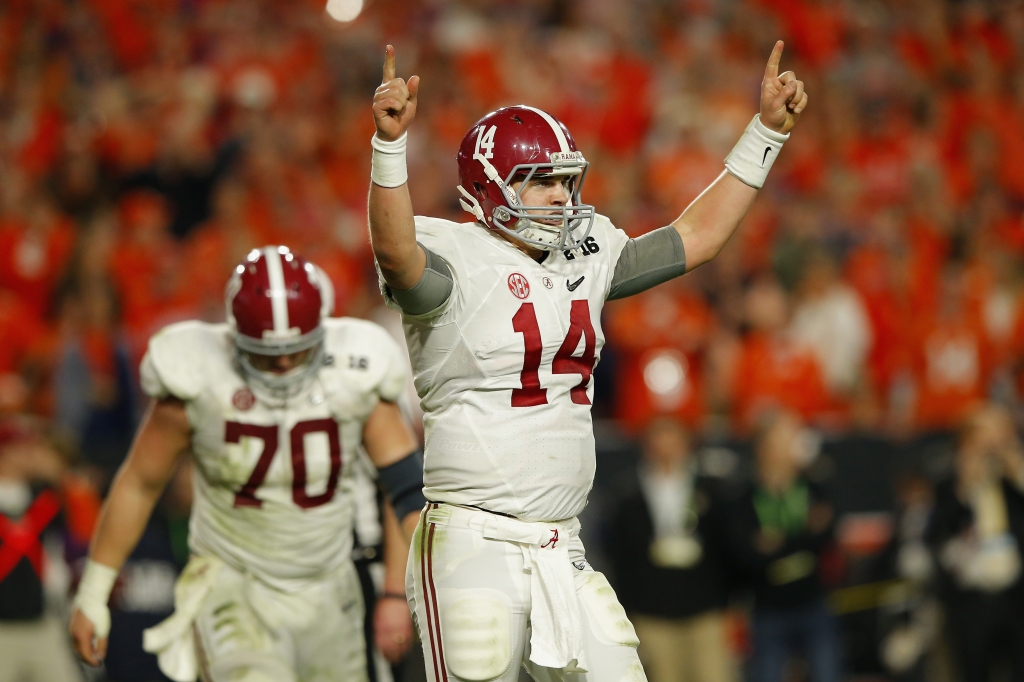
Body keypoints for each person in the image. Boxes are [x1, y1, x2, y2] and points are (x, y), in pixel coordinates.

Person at [368, 37, 807, 682]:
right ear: (489, 188)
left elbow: (696, 237)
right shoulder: (453, 260)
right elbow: (397, 252)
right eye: (539, 180)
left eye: (564, 179)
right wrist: (388, 150)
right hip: (472, 538)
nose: (558, 194)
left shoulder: (587, 252)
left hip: (560, 542)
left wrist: (764, 133)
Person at [68, 246, 427, 682]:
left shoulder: (354, 369)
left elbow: (407, 487)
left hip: (331, 582)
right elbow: (139, 484)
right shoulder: (199, 376)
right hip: (233, 583)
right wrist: (93, 592)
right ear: (234, 335)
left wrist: (421, 584)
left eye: (297, 349)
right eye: (265, 351)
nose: (282, 362)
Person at [609, 418, 734, 682]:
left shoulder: (710, 489)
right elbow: (621, 554)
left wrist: (729, 602)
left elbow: (727, 545)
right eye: (658, 441)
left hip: (705, 610)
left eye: (673, 440)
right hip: (653, 612)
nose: (666, 449)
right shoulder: (629, 493)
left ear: (687, 445)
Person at [720, 410, 840, 682]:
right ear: (765, 446)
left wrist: (776, 543)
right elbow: (745, 555)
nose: (796, 444)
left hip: (813, 603)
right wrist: (805, 534)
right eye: (787, 437)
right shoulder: (744, 497)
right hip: (768, 610)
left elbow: (828, 536)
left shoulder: (815, 487)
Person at [927, 404, 1024, 682]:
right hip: (972, 601)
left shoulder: (1012, 483)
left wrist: (1015, 470)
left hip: (1016, 599)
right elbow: (939, 537)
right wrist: (966, 485)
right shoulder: (948, 484)